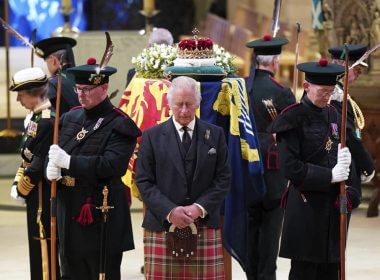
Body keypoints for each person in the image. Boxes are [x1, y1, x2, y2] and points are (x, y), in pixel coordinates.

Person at [46, 57, 141, 280]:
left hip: (99, 212)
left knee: (100, 272)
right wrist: (52, 170)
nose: (81, 94)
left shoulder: (120, 124)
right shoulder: (70, 117)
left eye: (88, 89)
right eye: (78, 89)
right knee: (69, 270)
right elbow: (57, 153)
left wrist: (69, 163)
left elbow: (111, 165)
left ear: (104, 88)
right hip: (68, 209)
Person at [270, 59, 360, 280]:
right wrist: (329, 175)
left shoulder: (334, 115)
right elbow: (291, 168)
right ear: (307, 86)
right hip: (306, 208)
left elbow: (345, 160)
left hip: (333, 210)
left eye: (330, 91)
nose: (327, 96)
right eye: (322, 91)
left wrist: (350, 189)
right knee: (306, 272)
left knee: (331, 270)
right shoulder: (291, 118)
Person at [135, 76, 231, 279]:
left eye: (190, 104)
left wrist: (199, 208)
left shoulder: (216, 134)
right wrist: (170, 211)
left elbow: (223, 179)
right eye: (179, 105)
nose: (185, 111)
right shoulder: (151, 136)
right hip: (161, 225)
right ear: (169, 103)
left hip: (204, 224)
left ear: (199, 102)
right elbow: (143, 181)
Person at [245, 34, 296, 280]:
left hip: (246, 164)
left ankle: (251, 275)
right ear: (275, 62)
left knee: (250, 226)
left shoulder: (241, 87)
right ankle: (267, 276)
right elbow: (292, 135)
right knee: (271, 228)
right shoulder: (283, 93)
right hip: (273, 167)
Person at [9, 67, 59, 280]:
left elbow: (37, 165)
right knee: (37, 249)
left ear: (36, 93)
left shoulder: (45, 122)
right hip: (34, 195)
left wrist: (21, 189)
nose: (19, 100)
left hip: (41, 198)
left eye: (21, 95)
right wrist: (17, 181)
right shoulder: (36, 119)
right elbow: (27, 159)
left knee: (43, 250)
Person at [34, 36, 80, 114]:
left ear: (53, 60)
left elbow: (46, 115)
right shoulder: (82, 77)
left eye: (47, 62)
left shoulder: (53, 83)